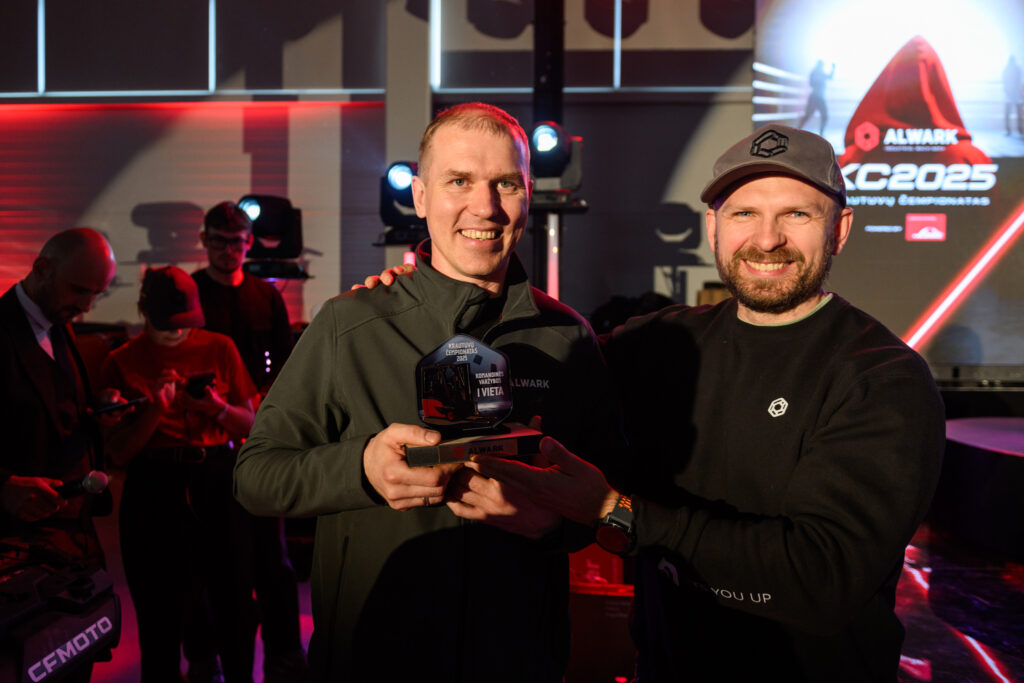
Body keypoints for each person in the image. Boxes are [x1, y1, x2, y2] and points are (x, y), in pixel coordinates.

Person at [470, 125, 946, 681]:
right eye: (745, 213)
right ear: (713, 228)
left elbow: (822, 580)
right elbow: (533, 369)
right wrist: (417, 295)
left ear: (838, 230)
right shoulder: (659, 343)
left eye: (797, 214)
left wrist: (617, 512)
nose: (767, 239)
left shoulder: (881, 378)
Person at [234, 102, 621, 682]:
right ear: (419, 196)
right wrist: (361, 468)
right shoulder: (350, 325)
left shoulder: (568, 336)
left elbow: (612, 492)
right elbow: (255, 477)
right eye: (458, 181)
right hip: (373, 658)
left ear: (528, 195)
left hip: (515, 659)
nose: (484, 206)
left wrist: (552, 524)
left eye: (505, 183)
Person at [101, 266, 260, 683]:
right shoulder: (121, 361)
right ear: (145, 311)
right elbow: (118, 452)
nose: (177, 332)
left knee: (233, 596)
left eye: (185, 323)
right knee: (159, 608)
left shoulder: (220, 347)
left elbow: (250, 424)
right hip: (155, 483)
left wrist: (215, 409)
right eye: (167, 323)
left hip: (216, 475)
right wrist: (156, 409)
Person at [190, 201, 306, 682]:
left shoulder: (265, 295)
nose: (228, 251)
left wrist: (264, 412)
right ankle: (208, 656)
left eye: (236, 242)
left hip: (257, 435)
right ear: (205, 241)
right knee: (210, 560)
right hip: (207, 440)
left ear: (249, 243)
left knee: (272, 558)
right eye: (219, 242)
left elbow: (284, 363)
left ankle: (285, 656)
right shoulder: (192, 292)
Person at [0, 228, 119, 682]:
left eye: (96, 294)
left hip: (70, 546)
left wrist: (95, 409)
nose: (87, 306)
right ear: (42, 268)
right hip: (14, 551)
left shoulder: (60, 323)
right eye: (78, 290)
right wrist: (2, 486)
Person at [798, 60, 835, 136]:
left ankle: (821, 133)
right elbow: (811, 83)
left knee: (823, 116)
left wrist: (833, 69)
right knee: (809, 115)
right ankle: (798, 130)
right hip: (816, 97)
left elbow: (830, 77)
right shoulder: (815, 72)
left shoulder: (819, 73)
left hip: (818, 97)